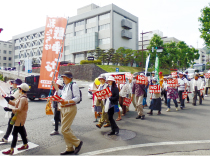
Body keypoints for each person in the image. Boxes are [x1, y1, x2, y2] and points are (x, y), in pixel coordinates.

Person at [52, 71, 83, 155]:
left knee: (64, 129)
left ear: (70, 78)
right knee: (67, 129)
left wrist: (67, 102)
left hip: (70, 107)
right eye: (63, 77)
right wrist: (56, 88)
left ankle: (77, 143)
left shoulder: (74, 85)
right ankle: (69, 148)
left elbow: (78, 98)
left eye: (65, 77)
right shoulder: (65, 86)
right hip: (63, 108)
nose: (63, 79)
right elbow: (61, 95)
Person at [2, 83, 30, 155]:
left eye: (19, 88)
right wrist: (7, 100)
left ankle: (11, 150)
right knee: (22, 133)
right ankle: (25, 145)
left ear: (21, 89)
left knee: (14, 133)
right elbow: (15, 104)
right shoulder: (21, 97)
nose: (18, 89)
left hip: (20, 118)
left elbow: (19, 109)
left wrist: (10, 109)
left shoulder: (23, 98)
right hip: (19, 118)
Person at [0, 79, 24, 143]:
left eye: (13, 83)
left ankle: (5, 137)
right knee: (18, 124)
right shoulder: (16, 90)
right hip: (15, 109)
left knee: (12, 124)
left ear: (16, 84)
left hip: (16, 110)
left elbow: (11, 98)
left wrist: (4, 96)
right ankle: (24, 136)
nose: (12, 84)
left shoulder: (18, 91)